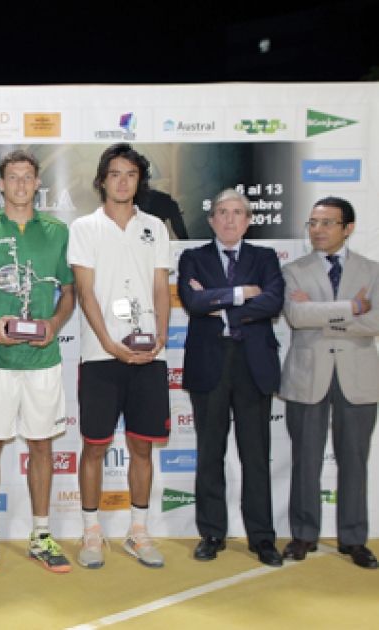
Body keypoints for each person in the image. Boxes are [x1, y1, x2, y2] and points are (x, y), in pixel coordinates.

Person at [0, 150, 76, 577]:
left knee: (41, 445)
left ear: (38, 183)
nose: (21, 184)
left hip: (44, 359)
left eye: (29, 176)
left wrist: (55, 322)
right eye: (13, 177)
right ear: (1, 185)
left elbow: (68, 291)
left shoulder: (60, 232)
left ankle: (40, 535)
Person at [68, 143, 172, 569]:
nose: (123, 181)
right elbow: (86, 293)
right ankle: (92, 533)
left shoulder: (155, 228)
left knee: (142, 447)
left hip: (149, 355)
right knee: (94, 447)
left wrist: (162, 334)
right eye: (115, 173)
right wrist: (110, 344)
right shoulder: (84, 228)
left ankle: (138, 531)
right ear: (102, 179)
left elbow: (161, 287)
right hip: (100, 356)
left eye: (131, 173)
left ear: (139, 180)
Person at [178, 188, 285, 567]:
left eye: (237, 212)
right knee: (210, 454)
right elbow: (191, 303)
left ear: (248, 220)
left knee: (255, 455)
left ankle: (262, 538)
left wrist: (219, 304)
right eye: (221, 212)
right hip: (210, 363)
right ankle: (211, 533)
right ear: (211, 220)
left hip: (253, 364)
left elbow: (273, 301)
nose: (228, 219)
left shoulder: (266, 257)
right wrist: (241, 294)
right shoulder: (193, 257)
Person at [281, 197, 379, 569]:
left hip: (358, 377)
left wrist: (324, 314)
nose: (317, 230)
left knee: (355, 460)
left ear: (347, 229)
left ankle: (353, 539)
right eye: (313, 223)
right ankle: (303, 535)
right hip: (308, 376)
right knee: (305, 459)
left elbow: (376, 322)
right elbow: (296, 316)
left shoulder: (372, 271)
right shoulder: (294, 271)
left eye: (327, 223)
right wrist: (352, 308)